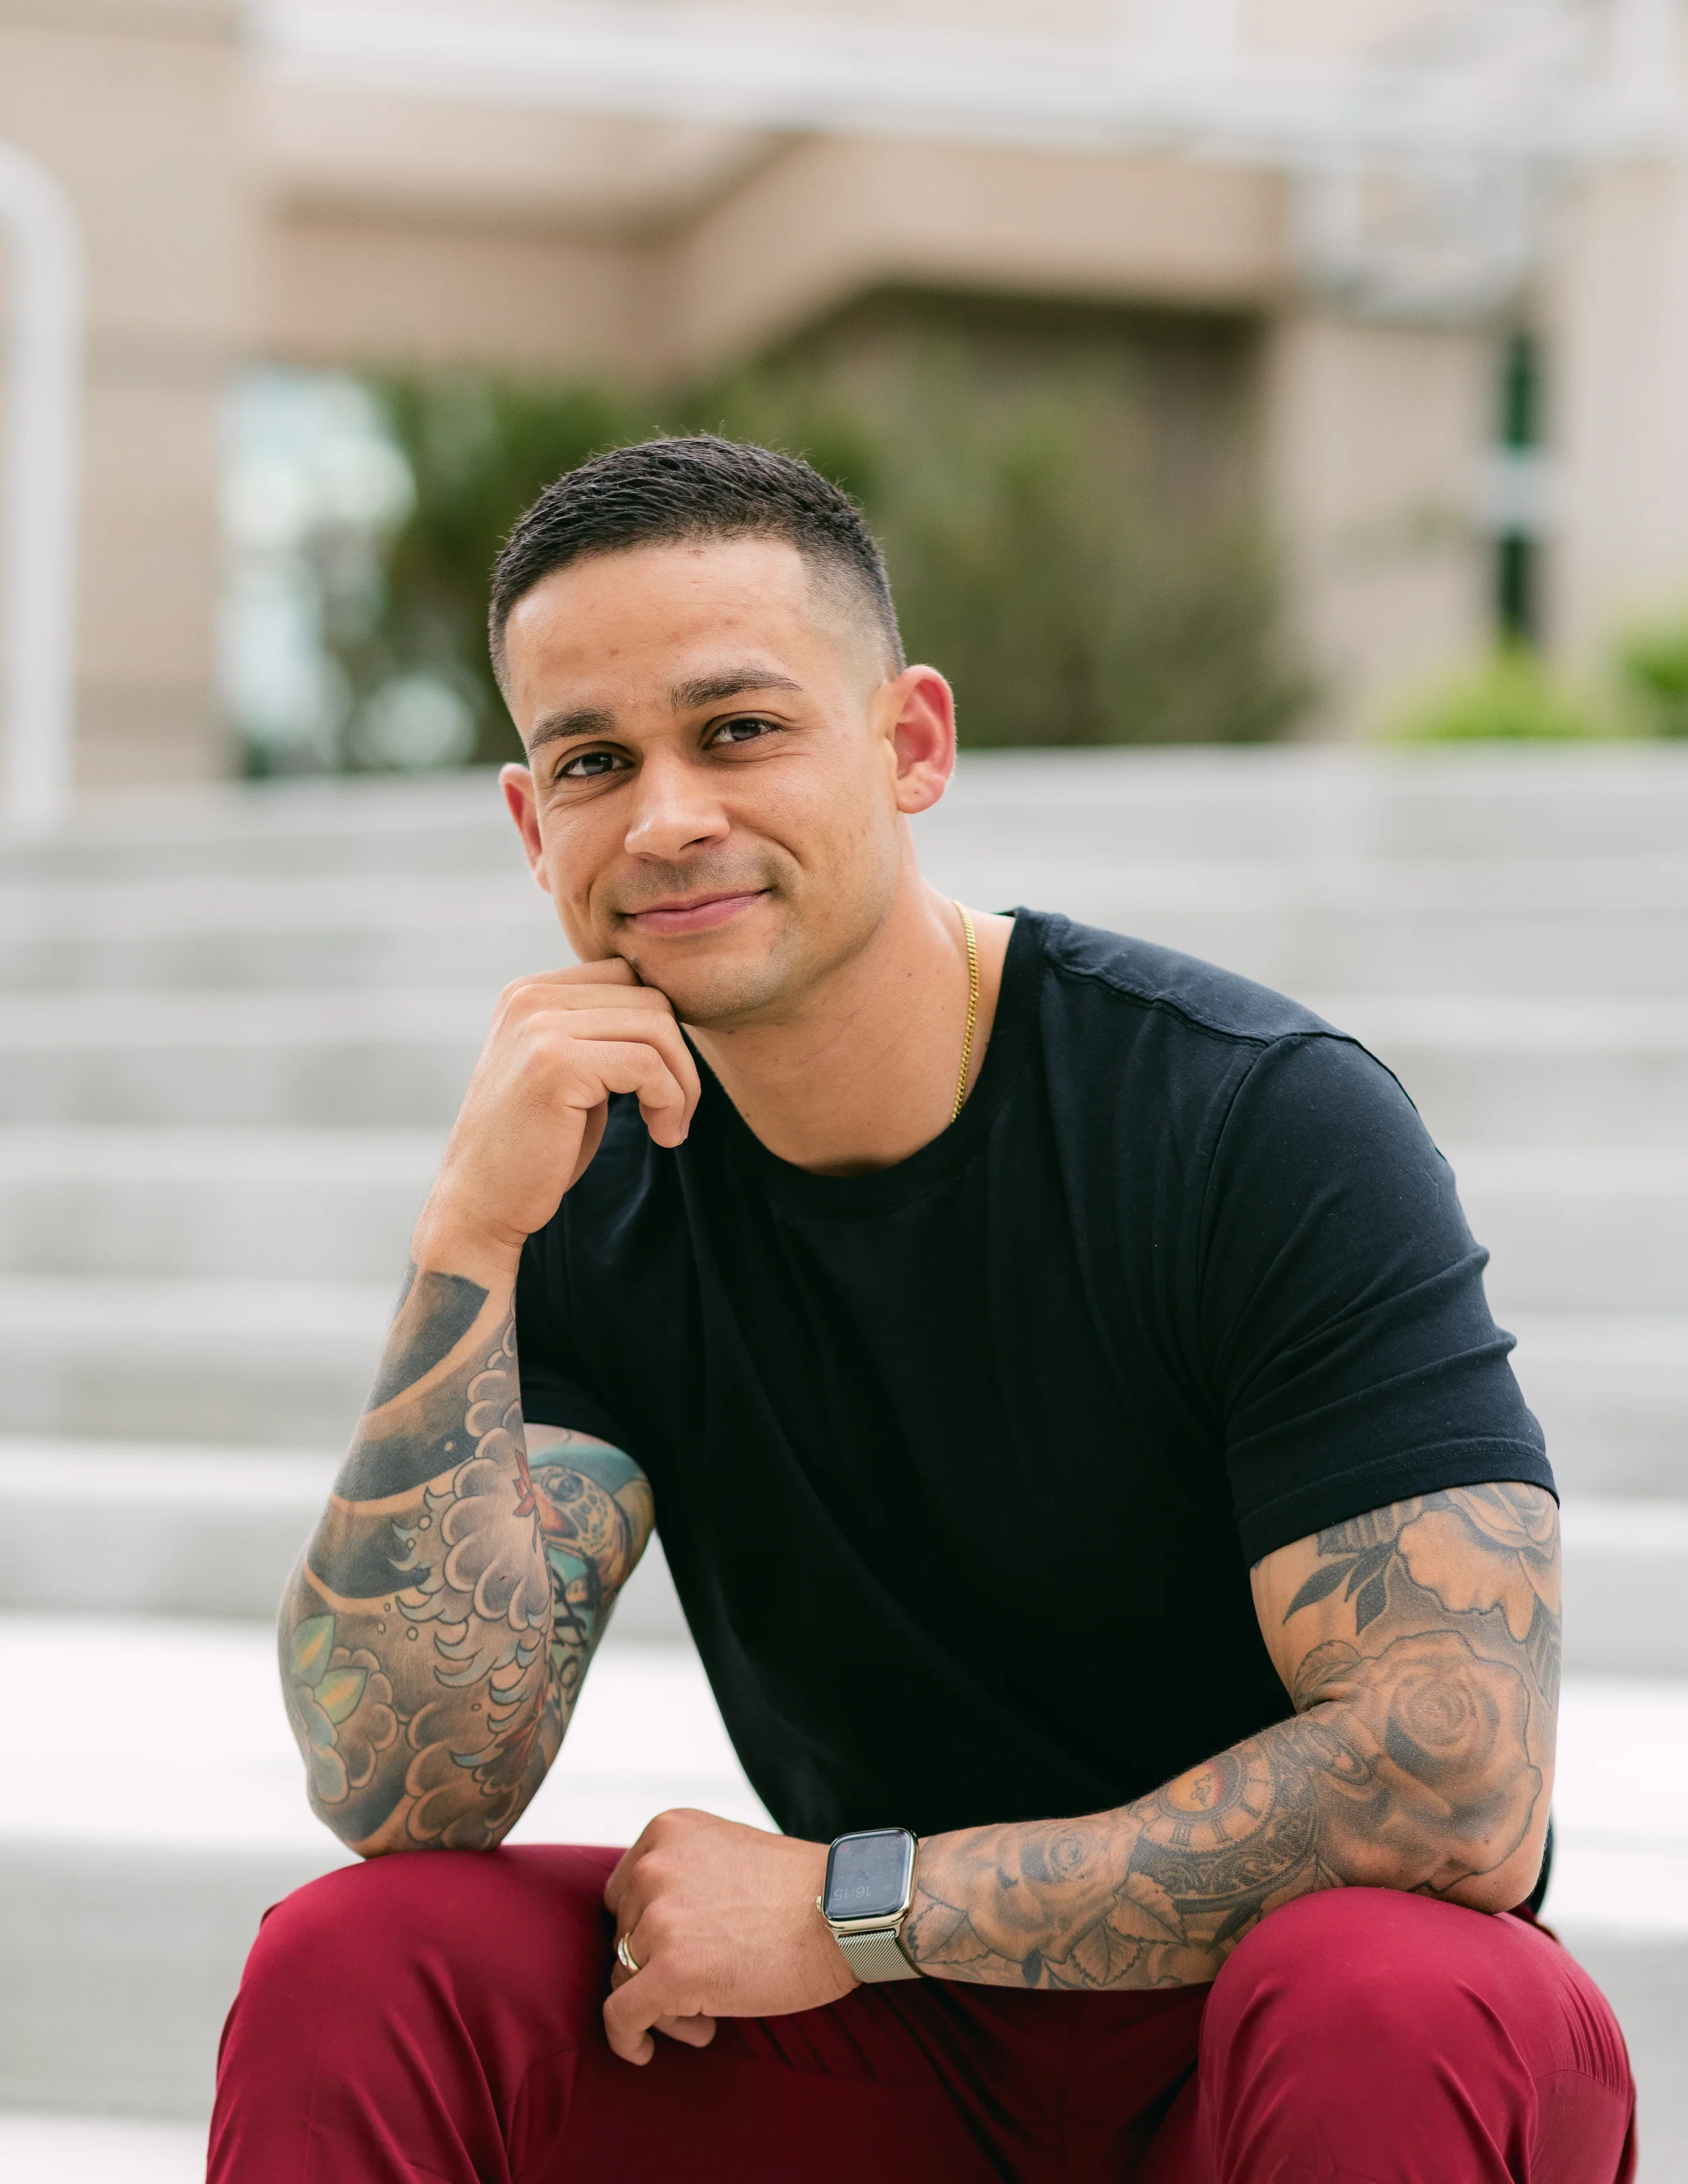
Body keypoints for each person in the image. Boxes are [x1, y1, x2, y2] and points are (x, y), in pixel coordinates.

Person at [210, 435, 1634, 2183]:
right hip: (900, 2071)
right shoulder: (594, 1184)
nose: (668, 817)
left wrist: (860, 1906)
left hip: (1264, 2060)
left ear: (912, 746)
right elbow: (401, 1790)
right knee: (368, 1966)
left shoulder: (1251, 1121)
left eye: (738, 730)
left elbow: (1459, 1791)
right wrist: (469, 1232)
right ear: (532, 826)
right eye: (595, 762)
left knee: (1393, 1989)